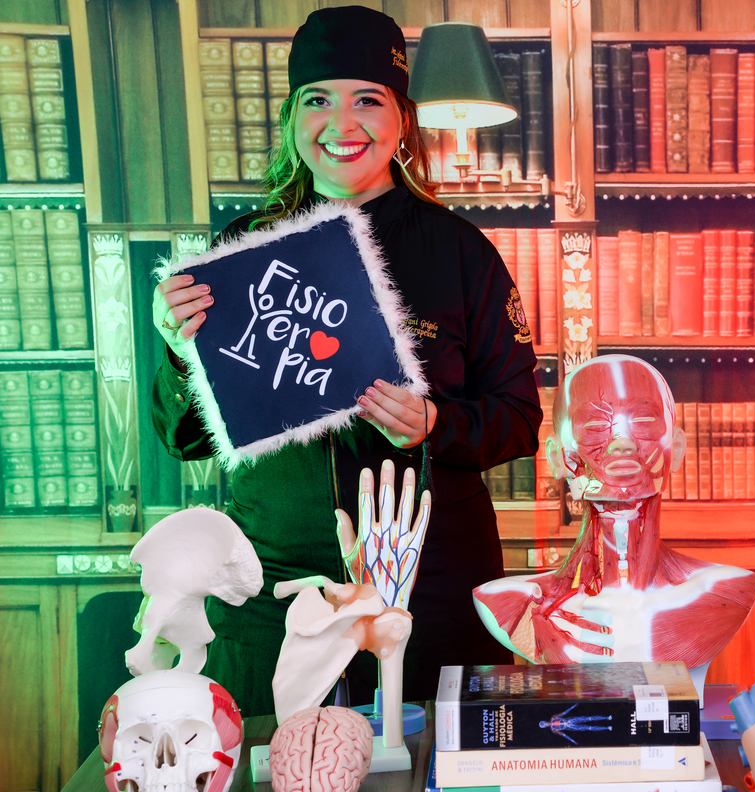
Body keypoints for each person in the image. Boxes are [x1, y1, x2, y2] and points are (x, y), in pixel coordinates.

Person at [150, 5, 541, 715]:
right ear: (292, 119)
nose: (342, 123)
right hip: (273, 592)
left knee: (430, 762)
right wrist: (182, 356)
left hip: (429, 587)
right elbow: (186, 438)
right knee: (276, 763)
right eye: (317, 100)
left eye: (367, 100)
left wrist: (434, 424)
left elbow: (518, 420)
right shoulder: (239, 251)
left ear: (402, 120)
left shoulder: (460, 253)